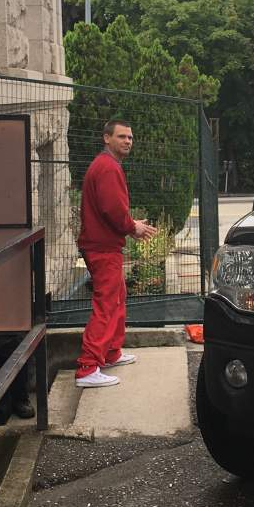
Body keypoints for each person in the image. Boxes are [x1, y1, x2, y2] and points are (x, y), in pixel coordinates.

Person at [75, 120, 157, 388]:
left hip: (102, 245)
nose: (128, 141)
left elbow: (111, 210)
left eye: (130, 137)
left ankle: (110, 353)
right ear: (106, 138)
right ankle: (88, 368)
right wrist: (132, 226)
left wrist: (129, 225)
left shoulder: (106, 165)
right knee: (106, 303)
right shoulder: (108, 168)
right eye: (121, 136)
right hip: (102, 248)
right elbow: (112, 209)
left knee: (116, 297)